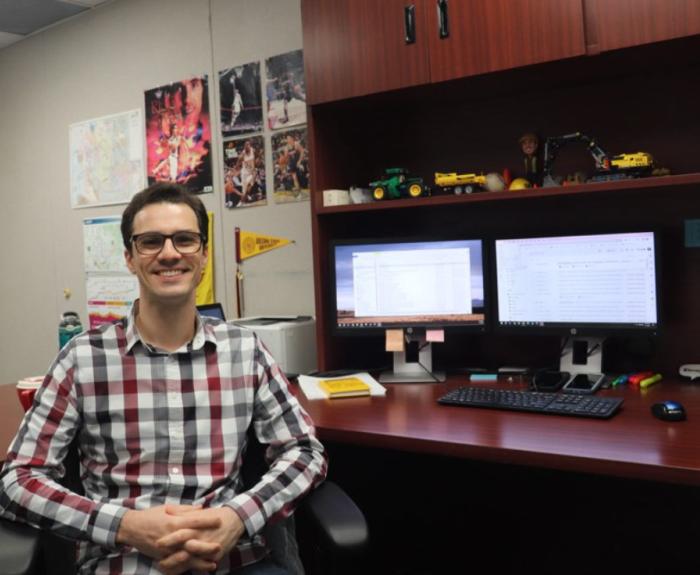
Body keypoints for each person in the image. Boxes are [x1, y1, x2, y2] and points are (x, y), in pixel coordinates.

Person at [0, 182, 327, 574]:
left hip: (233, 560)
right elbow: (18, 480)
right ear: (129, 257)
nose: (170, 253)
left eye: (185, 239)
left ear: (203, 255)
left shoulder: (245, 350)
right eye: (151, 241)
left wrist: (238, 516)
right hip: (123, 561)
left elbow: (306, 452)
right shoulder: (82, 358)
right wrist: (124, 526)